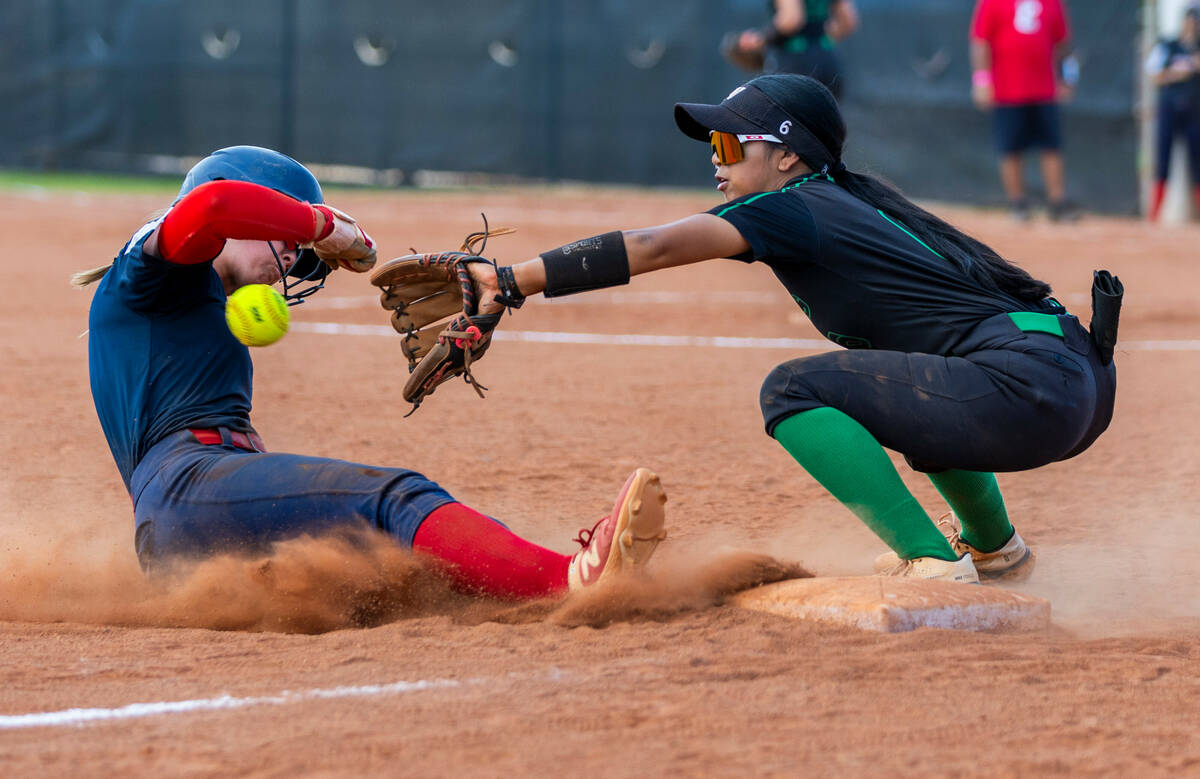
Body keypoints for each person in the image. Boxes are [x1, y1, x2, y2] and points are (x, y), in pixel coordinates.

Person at [437, 75, 1118, 583]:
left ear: (788, 156)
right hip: (1072, 375)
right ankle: (996, 549)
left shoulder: (793, 206)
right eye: (713, 142)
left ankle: (934, 565)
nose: (715, 156)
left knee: (790, 391)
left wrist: (511, 280)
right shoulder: (846, 199)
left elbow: (655, 246)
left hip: (1032, 386)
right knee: (905, 382)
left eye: (731, 142)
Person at [74, 145, 667, 599]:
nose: (291, 260)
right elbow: (213, 205)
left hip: (199, 505)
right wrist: (325, 226)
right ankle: (570, 581)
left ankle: (518, 586)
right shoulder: (150, 268)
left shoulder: (192, 290)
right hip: (188, 488)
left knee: (389, 568)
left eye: (296, 252)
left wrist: (307, 230)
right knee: (395, 497)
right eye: (284, 241)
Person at [969, 0, 1078, 222]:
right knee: (1011, 148)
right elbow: (980, 42)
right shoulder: (991, 3)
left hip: (1045, 90)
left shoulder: (1052, 3)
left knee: (1052, 146)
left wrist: (1068, 78)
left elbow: (1063, 44)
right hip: (1007, 90)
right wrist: (981, 81)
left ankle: (1057, 204)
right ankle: (1018, 203)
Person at [734, 0, 859, 99]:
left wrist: (760, 39)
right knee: (824, 126)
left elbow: (791, 20)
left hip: (796, 62)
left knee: (789, 124)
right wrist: (817, 40)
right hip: (828, 60)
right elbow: (848, 22)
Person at [1145, 7, 1200, 222]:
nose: (1191, 26)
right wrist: (1178, 72)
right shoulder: (1168, 46)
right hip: (1169, 110)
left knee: (1198, 163)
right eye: (1189, 21)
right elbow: (1153, 73)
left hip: (1195, 113)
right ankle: (1154, 216)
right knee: (1162, 161)